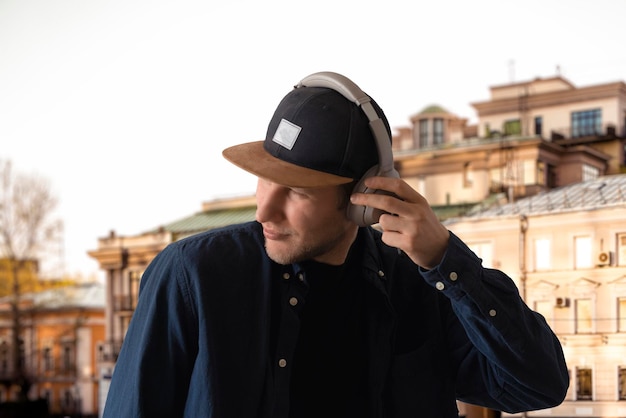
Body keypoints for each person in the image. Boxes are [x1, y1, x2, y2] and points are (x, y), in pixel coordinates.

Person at [102, 71, 569, 418]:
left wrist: (447, 261)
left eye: (298, 192)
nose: (265, 211)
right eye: (265, 182)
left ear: (364, 198)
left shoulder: (418, 284)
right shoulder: (193, 274)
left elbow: (538, 386)